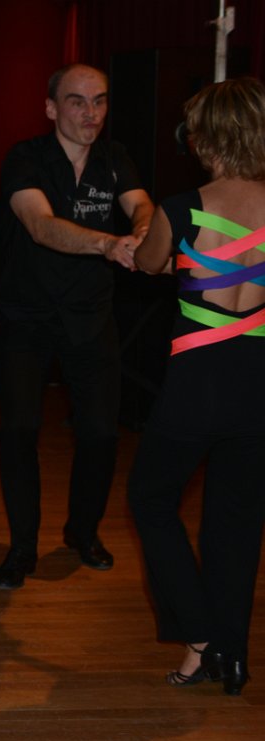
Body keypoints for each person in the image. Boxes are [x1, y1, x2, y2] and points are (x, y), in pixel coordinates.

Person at [0, 63, 153, 590]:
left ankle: (83, 532)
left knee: (101, 433)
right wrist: (108, 243)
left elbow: (141, 205)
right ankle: (22, 548)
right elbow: (39, 225)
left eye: (99, 100)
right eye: (78, 101)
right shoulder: (25, 159)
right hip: (25, 316)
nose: (91, 112)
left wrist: (141, 231)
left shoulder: (113, 158)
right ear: (51, 108)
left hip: (90, 315)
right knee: (19, 431)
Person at [127, 77, 265, 697]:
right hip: (256, 384)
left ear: (206, 139)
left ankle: (202, 636)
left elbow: (149, 262)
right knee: (237, 523)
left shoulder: (181, 208)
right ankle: (231, 657)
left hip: (196, 384)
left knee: (151, 501)